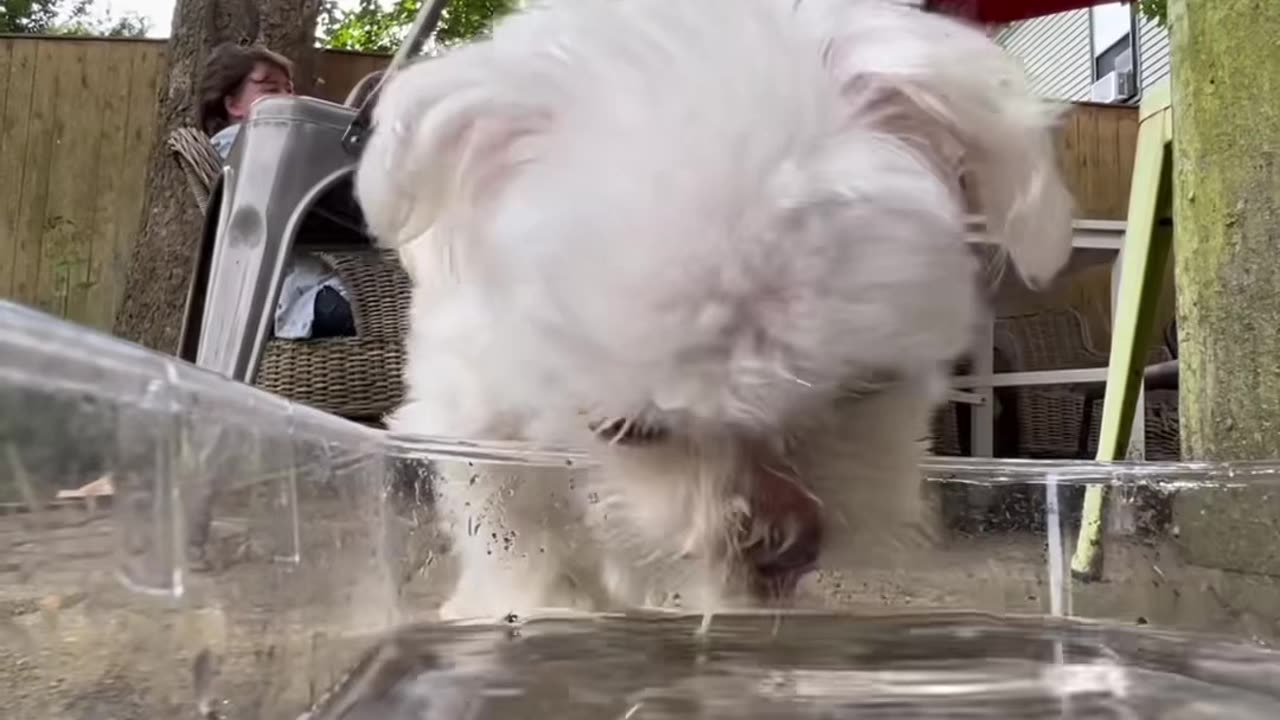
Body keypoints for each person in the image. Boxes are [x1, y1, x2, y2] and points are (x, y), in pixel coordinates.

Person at [196, 43, 355, 340]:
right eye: (270, 90)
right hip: (305, 301)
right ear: (233, 105)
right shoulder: (239, 147)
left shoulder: (282, 153)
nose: (287, 99)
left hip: (313, 293)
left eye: (289, 89)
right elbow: (316, 215)